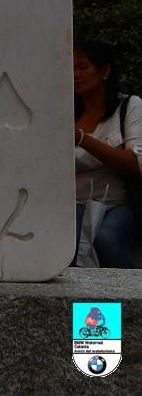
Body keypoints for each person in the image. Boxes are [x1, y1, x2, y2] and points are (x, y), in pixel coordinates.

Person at [74, 39, 142, 268]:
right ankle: (85, 306)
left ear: (105, 70)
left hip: (117, 203)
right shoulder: (63, 112)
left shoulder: (129, 106)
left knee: (107, 240)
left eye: (82, 67)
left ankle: (132, 300)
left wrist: (82, 140)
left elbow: (134, 163)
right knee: (67, 248)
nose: (75, 75)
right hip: (71, 204)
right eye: (70, 68)